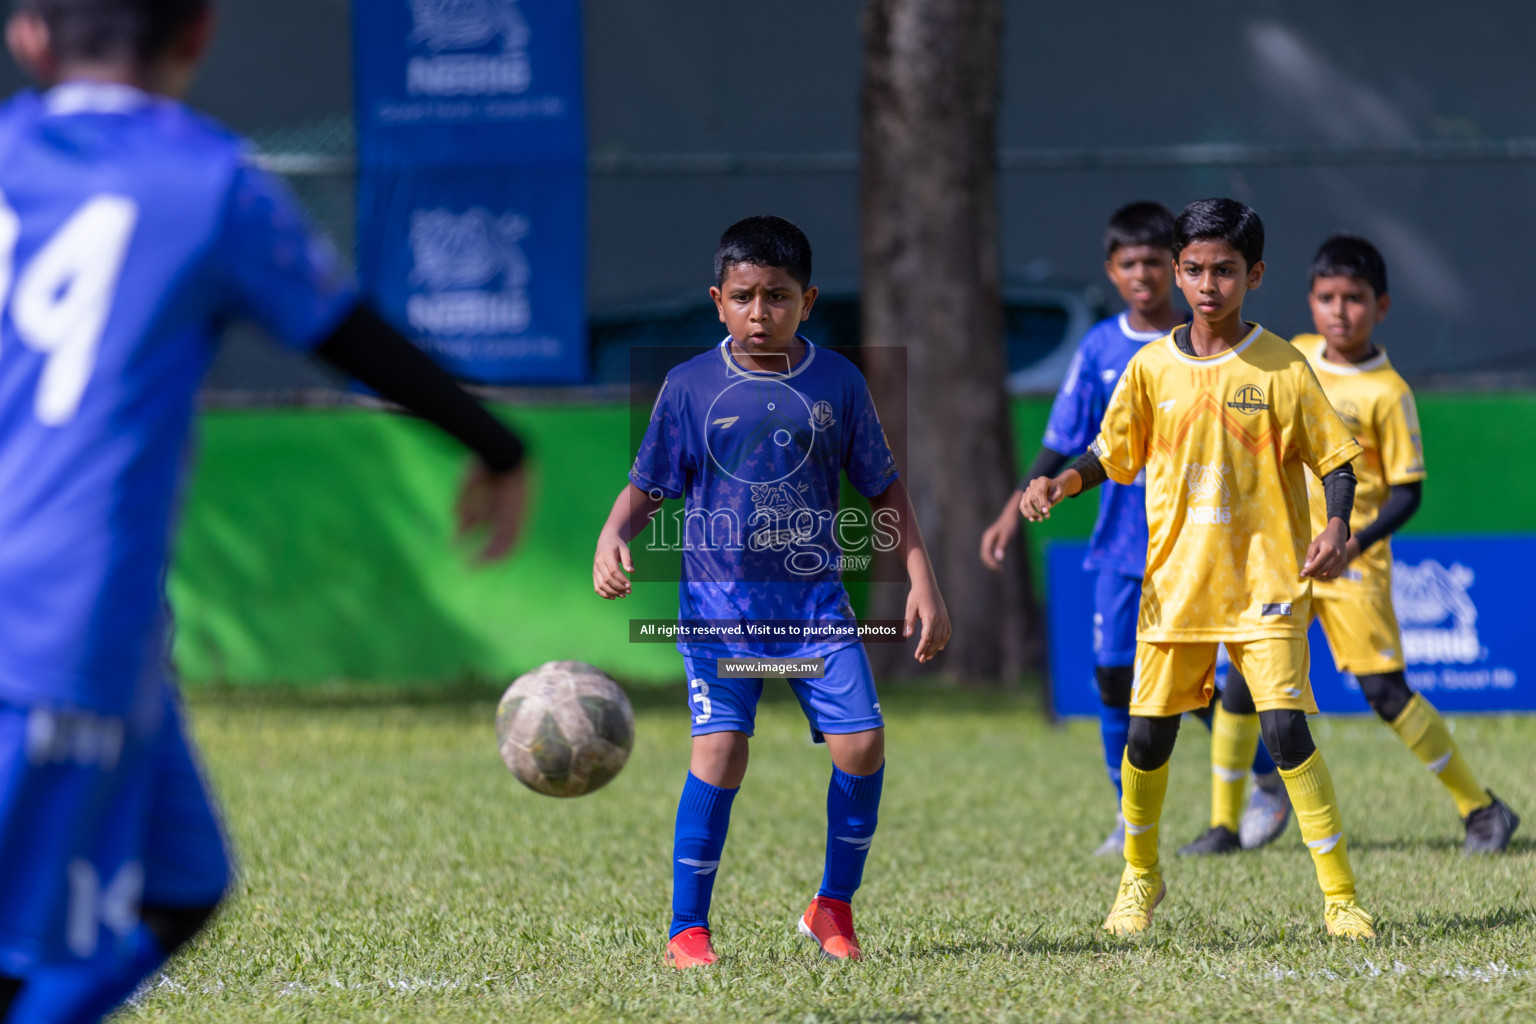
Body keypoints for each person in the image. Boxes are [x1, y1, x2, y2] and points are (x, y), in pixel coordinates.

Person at [0, 2, 529, 1020]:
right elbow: (349, 333)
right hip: (55, 624)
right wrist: (498, 444)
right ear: (199, 33)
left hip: (108, 639)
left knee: (183, 879)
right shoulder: (209, 182)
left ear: (29, 37)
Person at [593, 215, 950, 968]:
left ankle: (832, 908)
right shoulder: (688, 385)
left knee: (862, 745)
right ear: (718, 300)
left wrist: (923, 582)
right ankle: (686, 931)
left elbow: (885, 491)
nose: (762, 314)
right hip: (721, 617)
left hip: (818, 612)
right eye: (746, 297)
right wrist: (612, 534)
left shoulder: (839, 382)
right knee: (720, 752)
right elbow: (646, 485)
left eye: (779, 297)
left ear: (808, 300)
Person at [1020, 198, 1377, 939]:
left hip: (1266, 585)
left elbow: (1338, 460)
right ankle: (1140, 881)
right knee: (1148, 740)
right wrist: (1061, 482)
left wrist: (1337, 523)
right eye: (1195, 269)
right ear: (1178, 273)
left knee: (1285, 733)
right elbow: (1109, 453)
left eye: (1225, 270)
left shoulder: (1283, 364)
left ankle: (1341, 898)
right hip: (1175, 588)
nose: (1208, 284)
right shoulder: (1152, 368)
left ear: (1255, 274)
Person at [1184, 234, 1519, 856]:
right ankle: (1224, 825)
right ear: (1310, 301)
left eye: (1354, 299)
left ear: (1381, 306)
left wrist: (1355, 540)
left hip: (1352, 565)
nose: (1340, 311)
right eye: (1327, 297)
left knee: (1385, 692)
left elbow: (1408, 492)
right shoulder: (1291, 358)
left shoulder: (1388, 392)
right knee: (1239, 686)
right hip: (1281, 559)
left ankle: (1482, 808)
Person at [981, 202, 1282, 858]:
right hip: (1122, 545)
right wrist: (1016, 505)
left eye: (1153, 261)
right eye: (1130, 263)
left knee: (1199, 682)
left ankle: (1266, 779)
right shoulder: (1099, 349)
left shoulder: (1206, 343)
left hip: (1196, 547)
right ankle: (1128, 819)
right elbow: (1065, 439)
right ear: (1111, 271)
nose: (1143, 274)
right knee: (1115, 678)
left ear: (1171, 271)